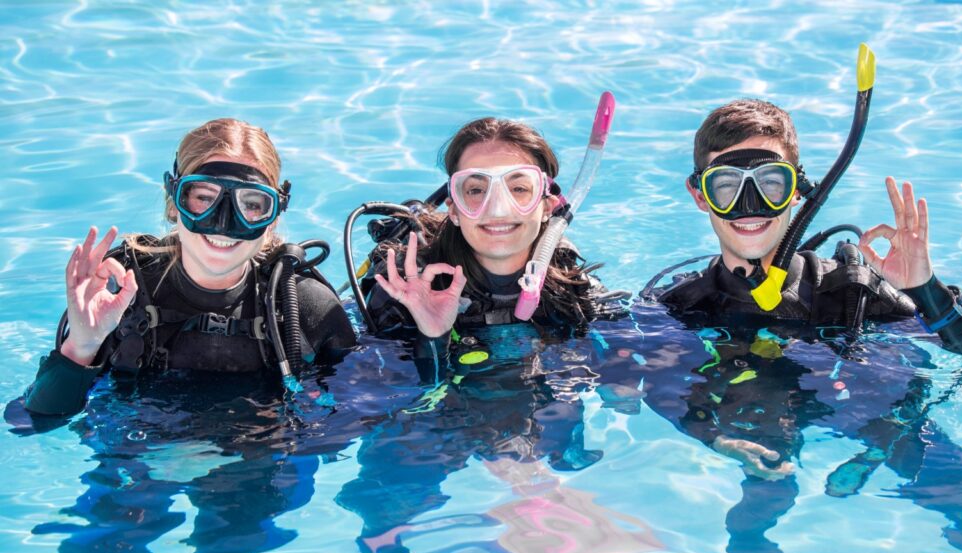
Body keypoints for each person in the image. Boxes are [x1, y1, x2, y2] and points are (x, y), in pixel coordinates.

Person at [22, 118, 356, 417]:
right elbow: (32, 419)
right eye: (204, 198)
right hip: (139, 462)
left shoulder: (305, 307)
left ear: (274, 217)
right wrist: (82, 345)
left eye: (252, 205)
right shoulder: (121, 293)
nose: (223, 224)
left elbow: (362, 415)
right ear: (174, 203)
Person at [654, 98, 962, 363]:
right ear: (700, 196)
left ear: (797, 190)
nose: (750, 206)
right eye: (727, 186)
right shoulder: (676, 308)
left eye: (771, 184)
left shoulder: (852, 294)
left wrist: (926, 290)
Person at [364, 117, 624, 377]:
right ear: (453, 210)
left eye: (519, 188)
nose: (498, 209)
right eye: (476, 190)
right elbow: (379, 398)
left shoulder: (575, 290)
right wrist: (433, 337)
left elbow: (634, 369)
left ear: (547, 206)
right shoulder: (406, 289)